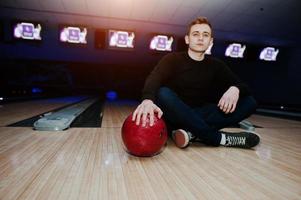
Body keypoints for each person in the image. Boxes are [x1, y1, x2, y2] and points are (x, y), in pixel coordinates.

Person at [132, 17, 260, 149]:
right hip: (173, 116)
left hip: (201, 113)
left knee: (250, 102)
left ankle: (192, 132)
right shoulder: (172, 59)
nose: (200, 38)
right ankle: (218, 138)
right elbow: (154, 78)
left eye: (205, 35)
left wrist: (235, 88)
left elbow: (245, 87)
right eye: (195, 34)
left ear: (210, 41)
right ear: (187, 39)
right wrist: (147, 100)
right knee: (163, 93)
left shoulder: (216, 65)